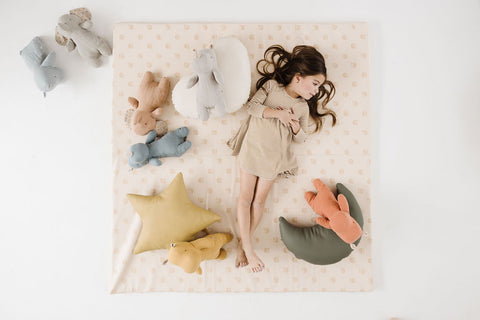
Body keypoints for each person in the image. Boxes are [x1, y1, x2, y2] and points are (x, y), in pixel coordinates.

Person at [227, 45, 337, 272]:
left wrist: (296, 127)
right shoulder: (271, 87)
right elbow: (252, 107)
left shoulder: (302, 107)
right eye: (315, 84)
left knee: (258, 202)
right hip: (252, 150)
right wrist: (278, 113)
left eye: (319, 86)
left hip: (274, 159)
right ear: (298, 78)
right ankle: (248, 247)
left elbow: (301, 139)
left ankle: (242, 244)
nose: (316, 91)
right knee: (244, 198)